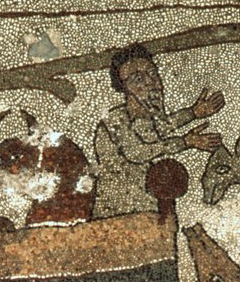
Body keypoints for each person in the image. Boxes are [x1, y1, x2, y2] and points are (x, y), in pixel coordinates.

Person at [92, 43, 226, 218]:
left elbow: (162, 126)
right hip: (117, 211)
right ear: (124, 88)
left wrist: (194, 112)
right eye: (138, 79)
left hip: (149, 207)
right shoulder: (114, 120)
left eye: (153, 74)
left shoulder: (145, 120)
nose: (151, 82)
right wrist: (185, 142)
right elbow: (137, 152)